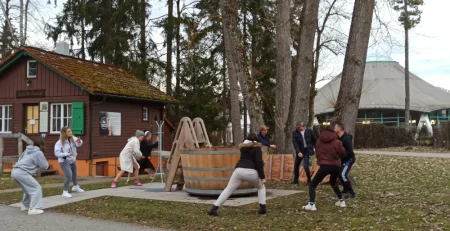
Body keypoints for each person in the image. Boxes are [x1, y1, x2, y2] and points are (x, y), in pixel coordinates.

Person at [207, 133, 267, 216]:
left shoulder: (243, 148)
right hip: (251, 172)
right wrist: (262, 177)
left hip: (239, 171)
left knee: (228, 190)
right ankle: (262, 208)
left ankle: (214, 208)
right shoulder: (257, 148)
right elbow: (258, 163)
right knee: (261, 188)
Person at [302, 126, 347, 211]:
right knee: (333, 182)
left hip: (324, 166)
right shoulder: (337, 142)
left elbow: (318, 153)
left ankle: (312, 204)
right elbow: (343, 153)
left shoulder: (319, 141)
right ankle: (341, 201)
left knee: (312, 185)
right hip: (336, 166)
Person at [11, 136, 49, 215]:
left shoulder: (27, 150)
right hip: (22, 172)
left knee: (27, 189)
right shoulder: (38, 152)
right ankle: (34, 208)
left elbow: (20, 159)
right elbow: (44, 165)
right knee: (36, 188)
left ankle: (26, 205)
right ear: (41, 144)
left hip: (15, 170)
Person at [54, 126, 84, 198]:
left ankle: (76, 187)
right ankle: (65, 191)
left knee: (74, 174)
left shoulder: (73, 138)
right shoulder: (59, 143)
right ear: (64, 133)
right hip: (64, 161)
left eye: (71, 131)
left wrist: (80, 142)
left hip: (72, 159)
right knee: (69, 175)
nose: (71, 133)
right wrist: (67, 154)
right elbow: (57, 153)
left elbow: (78, 144)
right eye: (68, 132)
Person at [334, 122, 357, 198]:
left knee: (343, 174)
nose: (334, 129)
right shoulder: (339, 138)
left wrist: (342, 158)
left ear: (340, 128)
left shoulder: (346, 139)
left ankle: (351, 192)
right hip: (343, 160)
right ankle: (345, 190)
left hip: (348, 159)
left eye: (335, 127)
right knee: (339, 174)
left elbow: (349, 152)